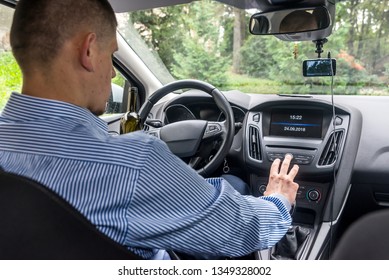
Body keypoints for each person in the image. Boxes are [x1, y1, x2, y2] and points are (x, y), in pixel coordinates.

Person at [0, 0, 299, 260]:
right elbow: (238, 229)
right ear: (89, 51)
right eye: (111, 55)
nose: (113, 72)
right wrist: (278, 200)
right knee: (238, 187)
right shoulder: (134, 164)